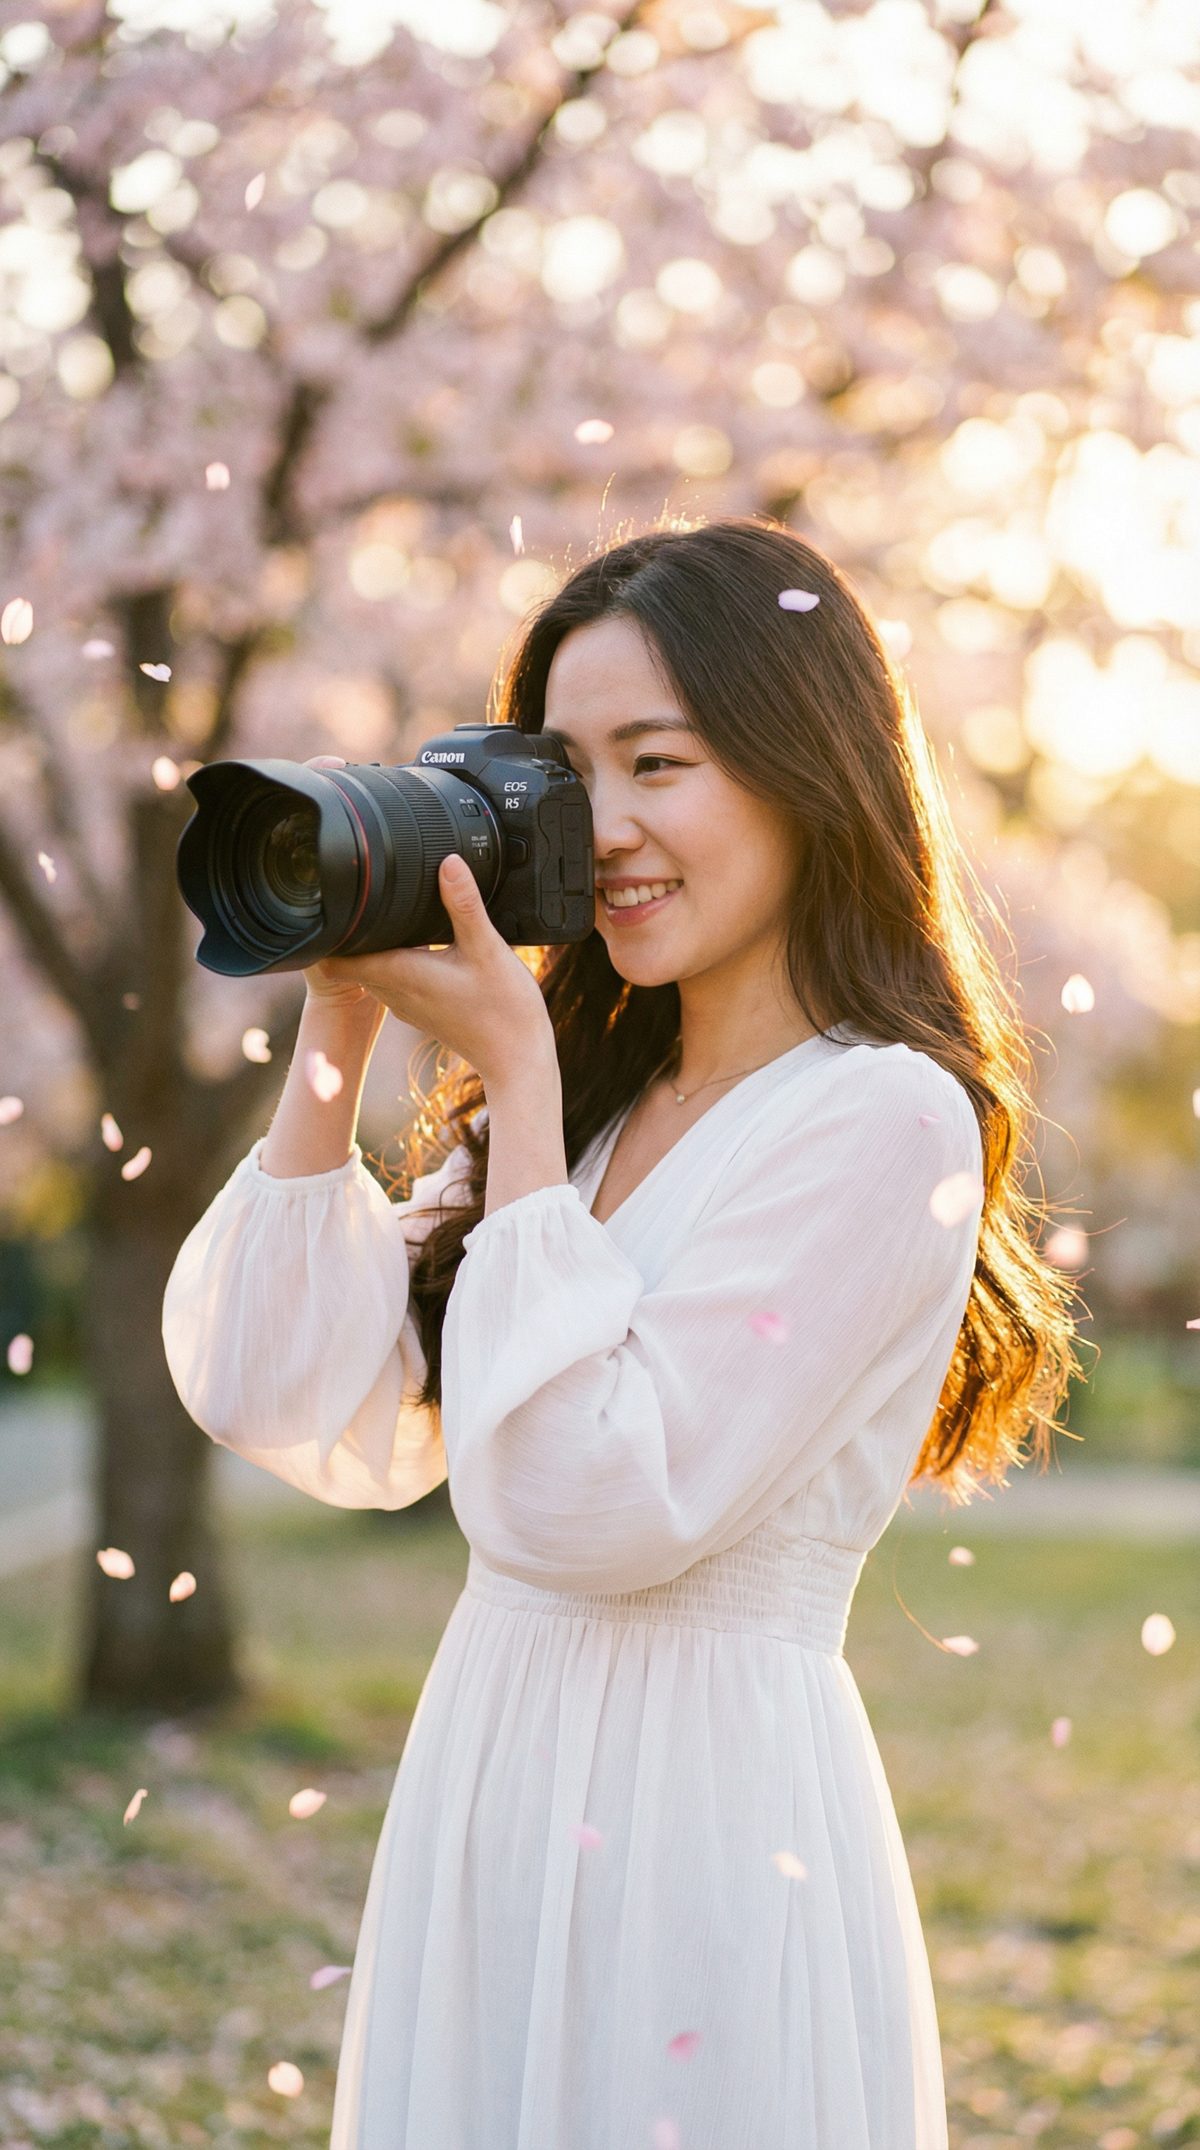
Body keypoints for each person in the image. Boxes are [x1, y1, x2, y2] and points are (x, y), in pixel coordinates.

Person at [162, 517, 1081, 2149]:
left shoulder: (884, 1119)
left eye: (661, 760)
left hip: (706, 1821)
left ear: (806, 766)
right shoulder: (584, 1110)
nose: (610, 827)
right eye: (569, 772)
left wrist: (513, 1081)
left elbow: (595, 1503)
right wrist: (340, 1009)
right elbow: (286, 1392)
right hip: (492, 1779)